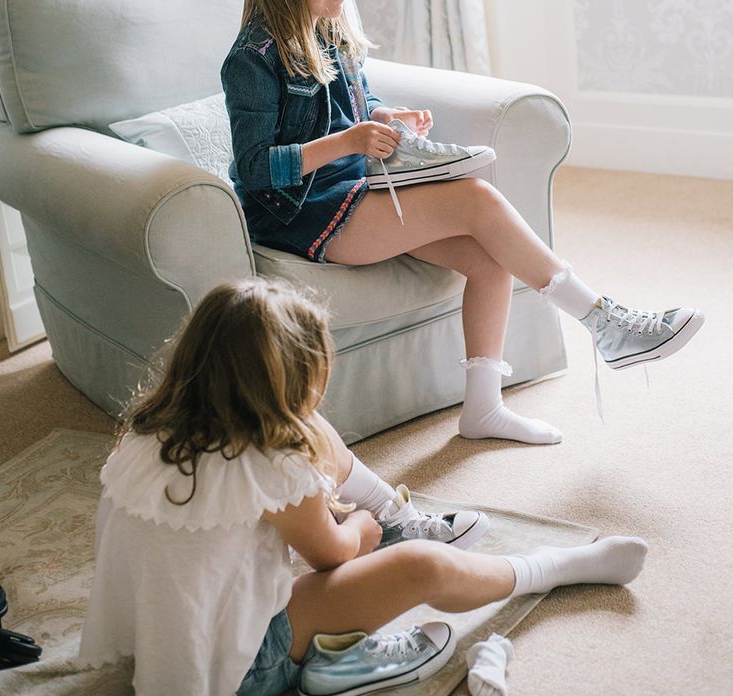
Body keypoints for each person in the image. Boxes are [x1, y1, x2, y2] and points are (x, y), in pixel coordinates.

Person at [78, 279, 649, 696]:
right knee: (420, 566)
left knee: (311, 437)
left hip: (155, 641)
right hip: (239, 669)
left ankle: (349, 626)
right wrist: (362, 527)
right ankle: (552, 566)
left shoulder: (147, 431)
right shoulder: (273, 463)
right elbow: (332, 554)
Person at [220, 0, 704, 446]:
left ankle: (484, 409)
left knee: (491, 258)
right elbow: (255, 166)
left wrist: (387, 118)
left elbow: (357, 105)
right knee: (476, 200)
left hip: (353, 187)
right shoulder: (252, 57)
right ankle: (603, 322)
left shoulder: (332, 27)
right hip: (300, 211)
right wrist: (351, 142)